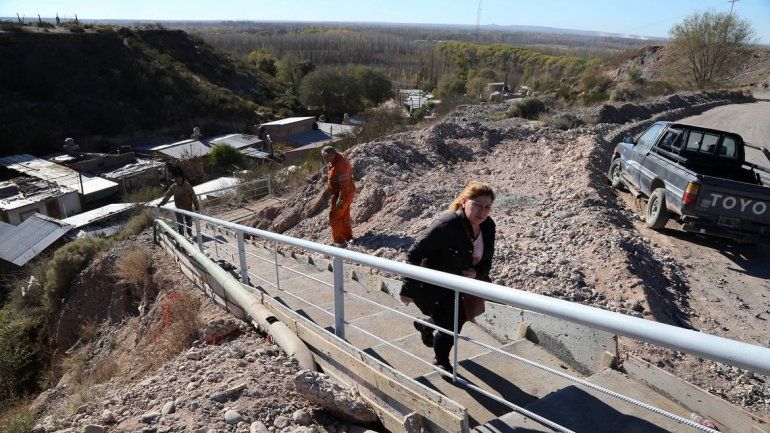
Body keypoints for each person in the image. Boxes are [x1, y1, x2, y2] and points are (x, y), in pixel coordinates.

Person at [399, 182, 496, 374]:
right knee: (452, 326)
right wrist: (408, 287)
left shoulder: (488, 226)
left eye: (487, 207)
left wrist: (478, 274)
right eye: (477, 205)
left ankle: (426, 325)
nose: (482, 212)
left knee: (460, 317)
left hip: (465, 285)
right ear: (464, 202)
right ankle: (441, 360)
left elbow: (488, 258)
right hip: (438, 286)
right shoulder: (446, 225)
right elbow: (413, 254)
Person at [322, 146, 356, 247]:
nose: (325, 160)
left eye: (326, 157)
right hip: (345, 192)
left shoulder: (340, 166)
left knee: (334, 217)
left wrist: (340, 200)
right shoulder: (338, 157)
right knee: (344, 215)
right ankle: (348, 237)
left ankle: (339, 242)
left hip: (343, 194)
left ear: (332, 155)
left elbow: (344, 186)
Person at [159, 169, 200, 236]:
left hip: (188, 207)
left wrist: (196, 206)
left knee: (189, 222)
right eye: (177, 178)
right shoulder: (173, 187)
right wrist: (162, 203)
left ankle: (189, 232)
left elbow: (194, 197)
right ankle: (181, 236)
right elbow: (167, 196)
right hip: (178, 208)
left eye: (180, 177)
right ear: (175, 179)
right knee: (180, 223)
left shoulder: (188, 186)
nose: (178, 179)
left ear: (182, 177)